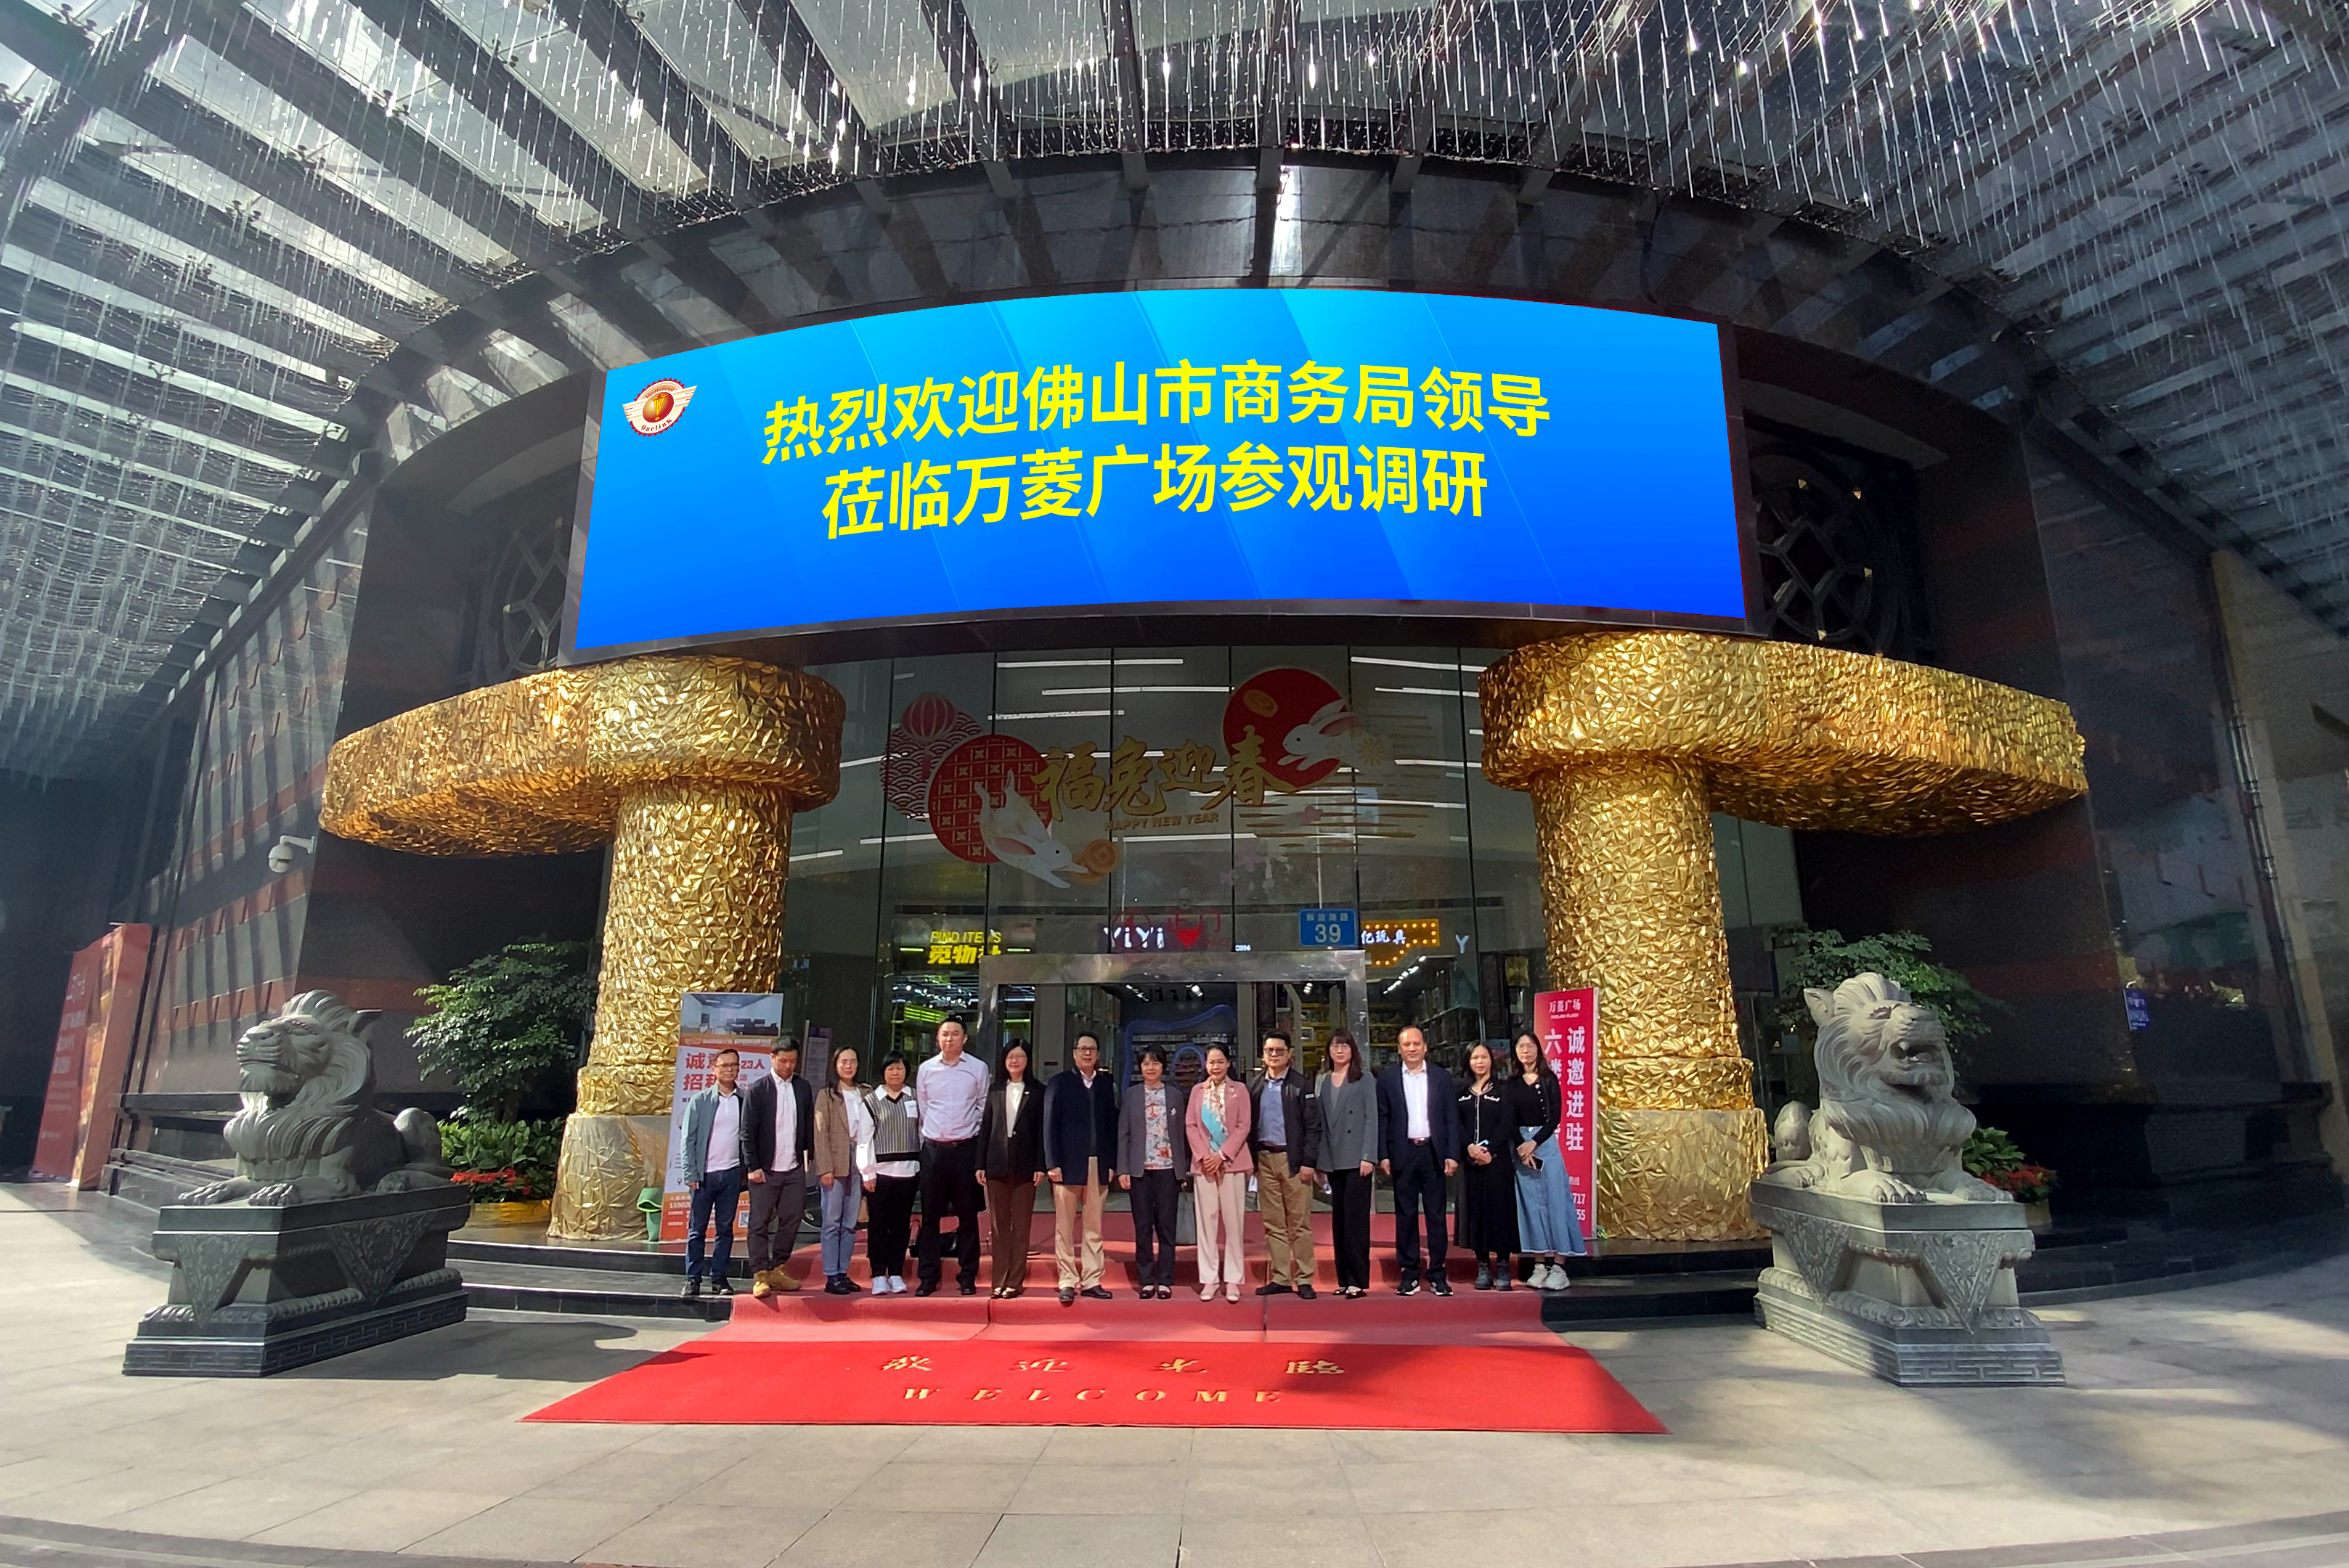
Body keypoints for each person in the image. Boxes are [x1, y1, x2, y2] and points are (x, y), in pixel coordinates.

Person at [1378, 1026, 1461, 1297]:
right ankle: (1410, 1272)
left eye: (1416, 1044)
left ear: (1426, 1046)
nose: (1411, 1049)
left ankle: (1438, 1273)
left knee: (1437, 1215)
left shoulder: (1441, 1077)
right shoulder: (1388, 1078)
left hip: (1433, 1152)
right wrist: (1384, 1154)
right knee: (1405, 1215)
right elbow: (1383, 1118)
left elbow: (1451, 1117)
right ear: (1399, 1049)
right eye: (1406, 1044)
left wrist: (1452, 1153)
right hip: (1403, 1152)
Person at [913, 1018, 990, 1297]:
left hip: (965, 1150)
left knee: (968, 1217)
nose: (949, 1039)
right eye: (945, 1034)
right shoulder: (926, 1070)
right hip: (933, 1150)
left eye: (955, 1034)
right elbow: (923, 1109)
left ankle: (967, 1276)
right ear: (937, 1038)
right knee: (931, 1216)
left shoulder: (978, 1069)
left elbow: (983, 1107)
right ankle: (928, 1277)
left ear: (964, 1039)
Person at [1044, 1032, 1120, 1304]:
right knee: (1064, 1227)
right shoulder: (1059, 1083)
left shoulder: (1105, 1085)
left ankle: (1091, 1279)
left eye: (1092, 1049)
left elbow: (1112, 1126)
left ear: (1098, 1054)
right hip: (1066, 1165)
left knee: (1094, 1226)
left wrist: (1111, 1163)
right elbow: (1049, 1125)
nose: (1087, 1053)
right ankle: (1067, 1279)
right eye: (1082, 1048)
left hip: (1097, 1164)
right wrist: (1052, 1162)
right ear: (1074, 1053)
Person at [1509, 1031, 1587, 1291]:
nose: (1526, 1051)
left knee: (1555, 1201)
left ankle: (1560, 1265)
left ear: (1538, 1050)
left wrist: (1535, 1142)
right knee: (1531, 1205)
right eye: (1521, 1046)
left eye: (1530, 1046)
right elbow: (1508, 1119)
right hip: (1520, 1146)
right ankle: (1539, 1264)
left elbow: (1555, 1117)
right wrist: (1522, 1145)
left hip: (1545, 1143)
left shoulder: (1549, 1079)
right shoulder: (1511, 1083)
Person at [1247, 1031, 1322, 1299]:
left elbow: (1314, 1128)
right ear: (1263, 1055)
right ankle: (1281, 1276)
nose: (1275, 1055)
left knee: (1299, 1223)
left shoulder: (1302, 1085)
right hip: (1265, 1160)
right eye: (1270, 1051)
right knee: (1273, 1222)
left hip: (1294, 1161)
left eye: (1280, 1050)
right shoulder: (1255, 1087)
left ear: (1290, 1054)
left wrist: (1309, 1162)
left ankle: (1304, 1278)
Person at [741, 1040, 817, 1297]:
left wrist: (810, 1156)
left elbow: (807, 1125)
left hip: (794, 1167)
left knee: (793, 1218)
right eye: (783, 1061)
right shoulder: (758, 1089)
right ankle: (761, 1275)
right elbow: (747, 1132)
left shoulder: (803, 1087)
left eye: (793, 1062)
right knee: (759, 1222)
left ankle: (779, 1268)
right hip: (765, 1168)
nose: (788, 1067)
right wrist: (753, 1166)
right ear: (772, 1058)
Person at [675, 1046, 746, 1300]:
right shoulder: (700, 1100)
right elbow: (688, 1140)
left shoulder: (744, 1100)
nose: (730, 1070)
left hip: (731, 1174)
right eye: (725, 1065)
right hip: (704, 1176)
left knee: (725, 1229)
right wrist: (691, 1173)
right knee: (697, 1229)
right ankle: (693, 1278)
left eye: (734, 1065)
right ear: (714, 1069)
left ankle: (719, 1278)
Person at [1118, 1043, 1189, 1299]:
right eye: (1146, 1063)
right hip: (1140, 1170)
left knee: (1167, 1227)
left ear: (1163, 1066)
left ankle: (1166, 1279)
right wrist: (1123, 1168)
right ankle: (1146, 1279)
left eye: (1156, 1063)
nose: (1151, 1068)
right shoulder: (1132, 1095)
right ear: (1140, 1067)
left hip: (1168, 1169)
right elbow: (1123, 1133)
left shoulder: (1174, 1095)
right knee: (1143, 1227)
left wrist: (1183, 1171)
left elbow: (1182, 1135)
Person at [1185, 1042, 1253, 1304]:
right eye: (1211, 1062)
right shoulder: (1196, 1091)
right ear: (1206, 1065)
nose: (1215, 1067)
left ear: (1228, 1064)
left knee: (1234, 1223)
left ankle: (1233, 1278)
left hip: (1232, 1164)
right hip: (1204, 1167)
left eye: (1220, 1062)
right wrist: (1205, 1157)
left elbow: (1243, 1125)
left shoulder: (1240, 1091)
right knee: (1206, 1223)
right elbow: (1191, 1125)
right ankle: (1210, 1279)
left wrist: (1222, 1155)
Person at [1316, 1030, 1380, 1299]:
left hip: (1357, 1159)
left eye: (1344, 1046)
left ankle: (1358, 1279)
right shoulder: (1322, 1080)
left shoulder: (1365, 1080)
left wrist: (1369, 1155)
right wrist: (1319, 1162)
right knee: (1339, 1223)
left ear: (1353, 1050)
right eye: (1335, 1046)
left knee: (1356, 1223)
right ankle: (1344, 1278)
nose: (1339, 1051)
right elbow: (1318, 1123)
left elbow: (1371, 1119)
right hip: (1332, 1157)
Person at [980, 1042, 1046, 1299]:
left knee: (1021, 1226)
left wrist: (1041, 1165)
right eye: (1010, 1056)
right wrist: (980, 1164)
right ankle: (999, 1279)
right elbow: (985, 1128)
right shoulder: (995, 1090)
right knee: (998, 1226)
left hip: (1026, 1166)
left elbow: (1042, 1132)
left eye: (1020, 1056)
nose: (1015, 1061)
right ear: (1003, 1060)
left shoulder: (1038, 1091)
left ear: (1028, 1060)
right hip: (996, 1164)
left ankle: (1015, 1282)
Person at [1457, 1042, 1521, 1291]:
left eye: (1484, 1057)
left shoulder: (1503, 1090)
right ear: (1468, 1062)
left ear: (1491, 1061)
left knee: (1500, 1213)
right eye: (1475, 1058)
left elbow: (1507, 1123)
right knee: (1477, 1214)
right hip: (1471, 1161)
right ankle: (1483, 1266)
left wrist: (1490, 1151)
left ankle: (1503, 1266)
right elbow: (1456, 1123)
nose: (1479, 1062)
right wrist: (1469, 1149)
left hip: (1497, 1161)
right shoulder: (1461, 1092)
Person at [860, 1054, 921, 1294]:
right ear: (883, 1072)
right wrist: (867, 1172)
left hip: (909, 1172)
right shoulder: (871, 1101)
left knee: (900, 1225)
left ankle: (896, 1273)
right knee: (878, 1225)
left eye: (899, 1068)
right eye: (890, 1069)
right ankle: (878, 1274)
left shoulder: (915, 1098)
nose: (895, 1073)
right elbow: (864, 1140)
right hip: (881, 1174)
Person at [813, 1045, 869, 1294]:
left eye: (853, 1061)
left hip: (860, 1160)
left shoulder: (866, 1092)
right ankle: (830, 1275)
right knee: (832, 1221)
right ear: (835, 1065)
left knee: (850, 1223)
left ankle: (843, 1272)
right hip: (835, 1163)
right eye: (844, 1062)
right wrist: (825, 1167)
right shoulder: (827, 1095)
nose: (849, 1066)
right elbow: (819, 1133)